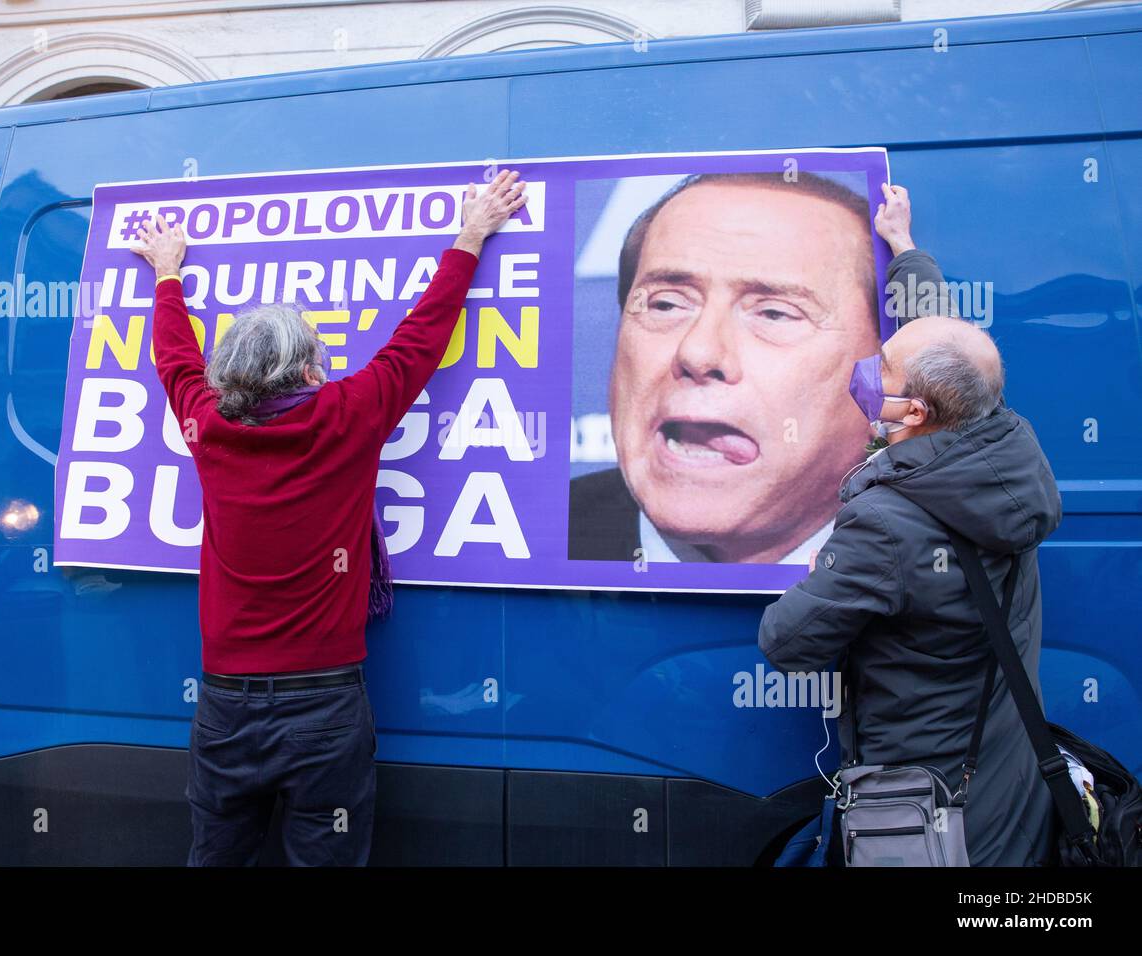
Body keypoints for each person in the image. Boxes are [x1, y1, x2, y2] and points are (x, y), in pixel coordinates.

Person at [131, 169, 527, 866]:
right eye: (321, 354)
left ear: (229, 379)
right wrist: (474, 231)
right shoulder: (350, 414)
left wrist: (168, 272)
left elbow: (174, 358)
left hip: (225, 707)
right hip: (327, 711)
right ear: (311, 374)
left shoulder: (205, 422)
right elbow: (421, 336)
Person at [757, 185, 1060, 866]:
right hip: (1007, 793)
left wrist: (821, 572)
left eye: (883, 369)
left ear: (917, 411)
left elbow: (786, 641)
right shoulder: (999, 445)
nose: (867, 372)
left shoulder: (886, 524)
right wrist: (905, 249)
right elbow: (947, 350)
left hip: (929, 820)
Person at [569, 171, 884, 564]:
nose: (698, 352)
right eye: (666, 304)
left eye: (774, 313)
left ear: (884, 376)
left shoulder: (949, 570)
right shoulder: (534, 541)